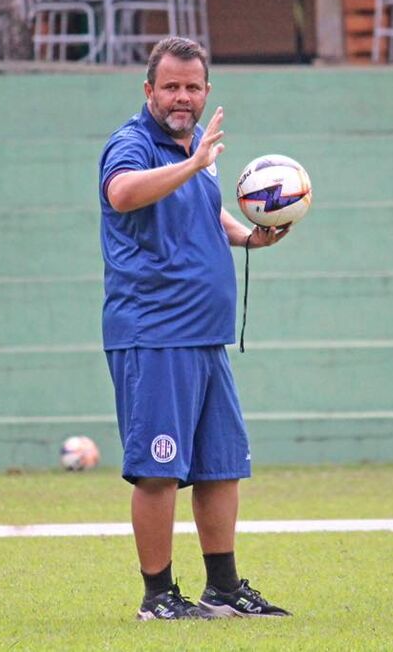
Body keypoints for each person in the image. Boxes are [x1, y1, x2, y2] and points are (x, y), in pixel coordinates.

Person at [99, 36, 291, 620]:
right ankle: (158, 597)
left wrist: (248, 235)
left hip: (207, 336)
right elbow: (122, 193)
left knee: (220, 466)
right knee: (159, 470)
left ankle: (223, 589)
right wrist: (192, 163)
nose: (182, 97)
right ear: (149, 90)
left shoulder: (195, 153)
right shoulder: (132, 144)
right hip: (155, 334)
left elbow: (207, 212)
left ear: (206, 92)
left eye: (192, 87)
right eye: (171, 86)